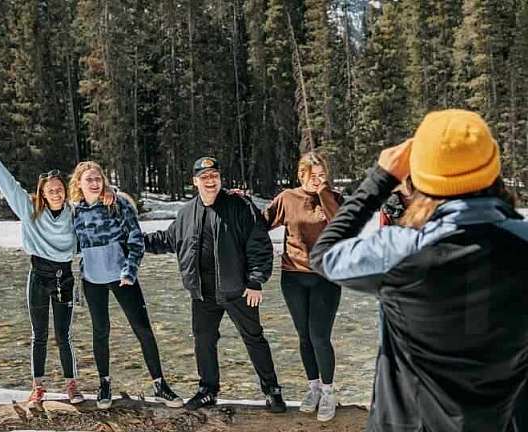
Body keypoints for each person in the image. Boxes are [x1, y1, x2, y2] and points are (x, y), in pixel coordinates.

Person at [310, 109, 528, 432]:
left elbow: (326, 254)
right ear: (492, 170)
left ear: (421, 178)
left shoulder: (399, 252)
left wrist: (381, 179)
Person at [144, 157, 287, 413]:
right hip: (202, 292)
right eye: (205, 177)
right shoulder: (187, 212)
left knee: (254, 339)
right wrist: (135, 241)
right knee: (203, 341)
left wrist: (255, 281)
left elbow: (259, 245)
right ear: (195, 181)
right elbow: (168, 239)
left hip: (237, 289)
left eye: (214, 176)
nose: (211, 181)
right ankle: (208, 390)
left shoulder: (239, 205)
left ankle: (271, 390)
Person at [0, 135, 85, 410]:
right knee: (39, 334)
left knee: (64, 335)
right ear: (42, 193)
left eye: (59, 189)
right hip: (38, 275)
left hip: (64, 276)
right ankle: (38, 386)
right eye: (50, 190)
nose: (56, 193)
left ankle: (71, 383)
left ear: (65, 191)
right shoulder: (30, 211)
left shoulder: (74, 214)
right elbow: (9, 187)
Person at [68, 161, 182, 409]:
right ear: (79, 183)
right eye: (89, 180)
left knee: (143, 330)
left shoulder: (117, 204)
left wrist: (129, 271)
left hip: (122, 277)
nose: (95, 183)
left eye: (98, 178)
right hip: (92, 280)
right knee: (101, 332)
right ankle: (104, 383)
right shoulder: (75, 212)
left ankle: (160, 385)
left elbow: (136, 241)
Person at [262, 152, 343, 421]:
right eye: (313, 175)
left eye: (323, 175)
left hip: (325, 277)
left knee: (319, 336)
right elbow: (262, 222)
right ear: (301, 174)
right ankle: (314, 388)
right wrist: (239, 203)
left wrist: (324, 193)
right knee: (304, 336)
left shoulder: (332, 197)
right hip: (292, 276)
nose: (319, 180)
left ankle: (330, 391)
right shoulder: (287, 198)